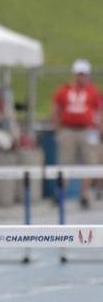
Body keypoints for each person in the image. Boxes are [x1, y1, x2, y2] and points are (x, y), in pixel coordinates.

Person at [53, 58, 99, 209]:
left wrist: (99, 129)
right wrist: (58, 129)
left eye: (83, 74)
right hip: (68, 129)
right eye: (79, 74)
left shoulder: (93, 91)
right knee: (65, 162)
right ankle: (61, 193)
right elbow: (57, 109)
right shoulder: (64, 90)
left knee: (90, 162)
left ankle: (84, 194)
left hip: (87, 130)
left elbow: (99, 111)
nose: (81, 77)